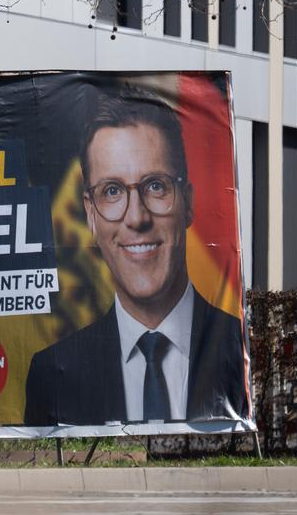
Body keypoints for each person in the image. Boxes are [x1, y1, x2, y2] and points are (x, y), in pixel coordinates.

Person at [23, 87, 248, 426]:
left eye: (155, 186)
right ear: (90, 215)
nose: (136, 217)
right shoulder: (51, 374)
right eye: (111, 191)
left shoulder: (241, 349)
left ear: (188, 202)